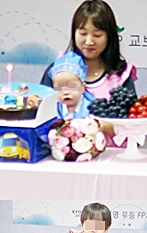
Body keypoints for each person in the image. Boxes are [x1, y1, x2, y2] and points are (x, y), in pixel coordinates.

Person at [41, 0, 137, 145]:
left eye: (97, 35)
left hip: (113, 155)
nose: (89, 41)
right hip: (61, 154)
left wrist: (102, 125)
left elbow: (134, 129)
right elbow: (41, 117)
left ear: (109, 36)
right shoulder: (58, 70)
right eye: (83, 33)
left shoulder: (121, 75)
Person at [48, 51, 95, 119]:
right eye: (59, 88)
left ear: (83, 87)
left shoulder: (91, 108)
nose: (65, 92)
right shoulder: (53, 109)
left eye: (71, 87)